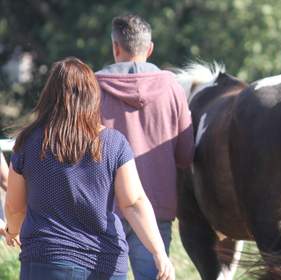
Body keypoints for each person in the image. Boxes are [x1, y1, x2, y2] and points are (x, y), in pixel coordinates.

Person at [3, 57, 174, 280]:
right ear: (92, 96)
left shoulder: (28, 142)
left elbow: (15, 208)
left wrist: (12, 231)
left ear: (49, 96)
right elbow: (133, 202)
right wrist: (159, 252)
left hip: (47, 261)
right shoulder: (114, 143)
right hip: (104, 263)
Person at [96, 14, 194, 280]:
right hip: (156, 207)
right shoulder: (172, 87)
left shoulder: (92, 88)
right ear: (150, 49)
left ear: (116, 47)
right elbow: (186, 154)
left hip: (104, 208)